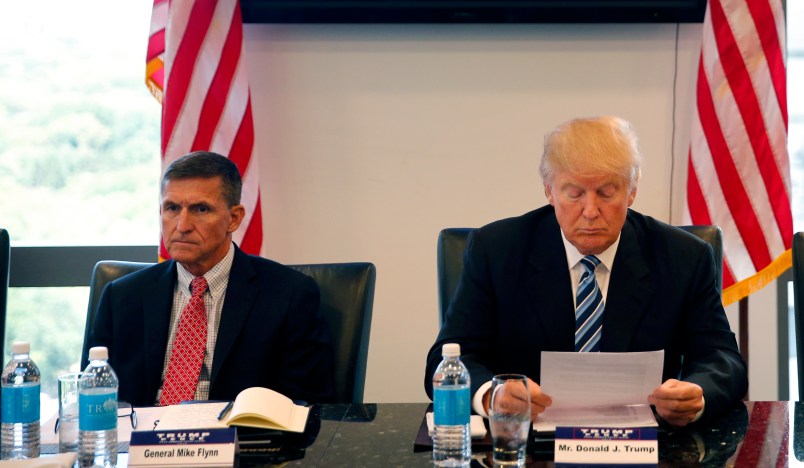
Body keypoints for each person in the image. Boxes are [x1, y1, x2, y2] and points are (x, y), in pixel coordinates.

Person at [424, 116, 747, 427]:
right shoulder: (496, 250)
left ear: (631, 190)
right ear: (549, 190)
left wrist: (697, 395)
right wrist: (491, 395)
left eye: (607, 193)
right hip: (526, 444)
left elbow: (722, 360)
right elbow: (448, 358)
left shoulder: (683, 256)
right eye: (574, 193)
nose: (591, 211)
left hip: (648, 445)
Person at [89, 151, 335, 406]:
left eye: (201, 209)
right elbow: (95, 395)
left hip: (240, 441)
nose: (182, 225)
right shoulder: (121, 296)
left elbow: (307, 406)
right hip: (141, 440)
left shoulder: (289, 295)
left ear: (234, 218)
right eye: (172, 208)